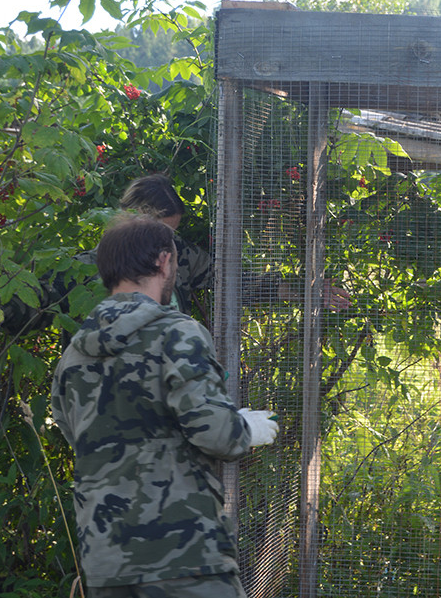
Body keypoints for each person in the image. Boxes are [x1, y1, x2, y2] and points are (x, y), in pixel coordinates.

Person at [51, 213, 279, 597]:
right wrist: (243, 428)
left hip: (106, 561)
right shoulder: (177, 332)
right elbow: (214, 433)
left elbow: (80, 436)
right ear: (163, 261)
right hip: (184, 554)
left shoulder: (74, 355)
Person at [0, 173, 350, 336]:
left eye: (172, 234)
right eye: (159, 232)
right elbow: (28, 310)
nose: (166, 246)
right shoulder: (83, 271)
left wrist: (307, 290)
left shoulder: (178, 256)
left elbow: (242, 284)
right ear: (130, 221)